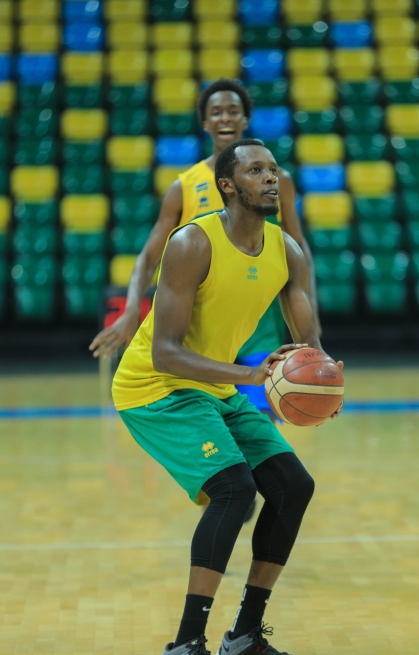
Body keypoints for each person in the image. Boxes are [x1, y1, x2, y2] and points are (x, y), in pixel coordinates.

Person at [112, 139, 341, 655]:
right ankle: (184, 647)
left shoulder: (288, 250)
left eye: (274, 169)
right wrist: (248, 375)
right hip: (155, 388)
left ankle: (244, 637)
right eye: (256, 170)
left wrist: (322, 379)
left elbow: (310, 339)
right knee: (233, 489)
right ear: (228, 185)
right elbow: (167, 354)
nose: (269, 178)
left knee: (292, 487)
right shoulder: (193, 242)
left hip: (217, 385)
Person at [90, 79, 319, 423]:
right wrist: (131, 310)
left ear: (245, 119)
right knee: (209, 432)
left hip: (257, 325)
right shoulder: (184, 186)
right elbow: (149, 256)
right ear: (206, 123)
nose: (225, 119)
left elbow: (298, 248)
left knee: (259, 428)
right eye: (216, 113)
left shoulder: (277, 180)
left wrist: (310, 318)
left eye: (233, 112)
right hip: (203, 332)